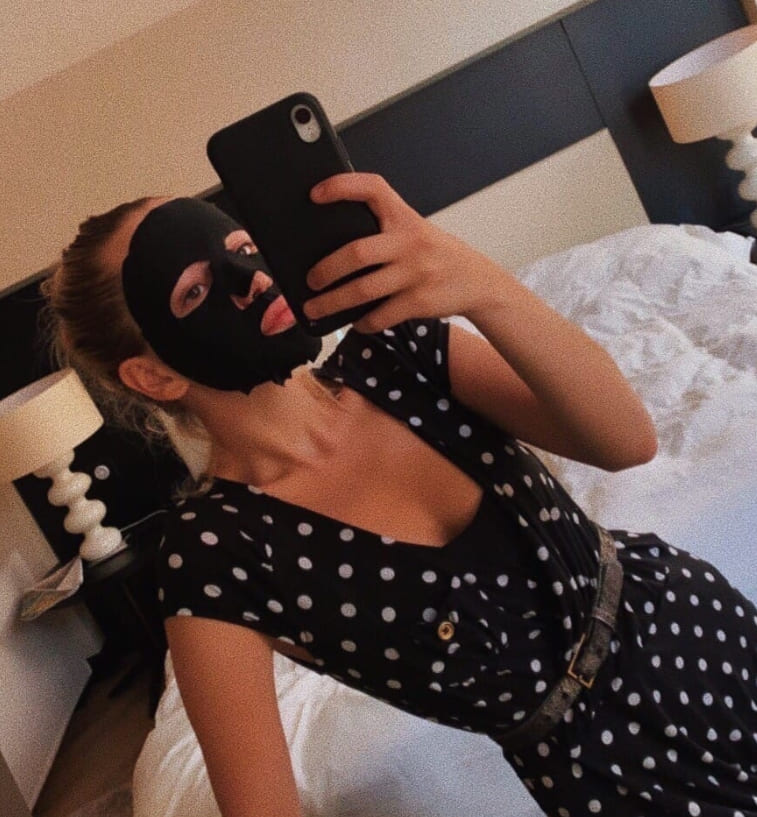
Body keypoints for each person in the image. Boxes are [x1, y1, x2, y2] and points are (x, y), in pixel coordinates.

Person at [43, 172, 757, 817]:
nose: (250, 279)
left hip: (692, 623)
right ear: (153, 377)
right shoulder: (214, 556)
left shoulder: (400, 352)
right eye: (194, 290)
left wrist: (481, 283)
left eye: (243, 247)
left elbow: (626, 441)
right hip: (605, 771)